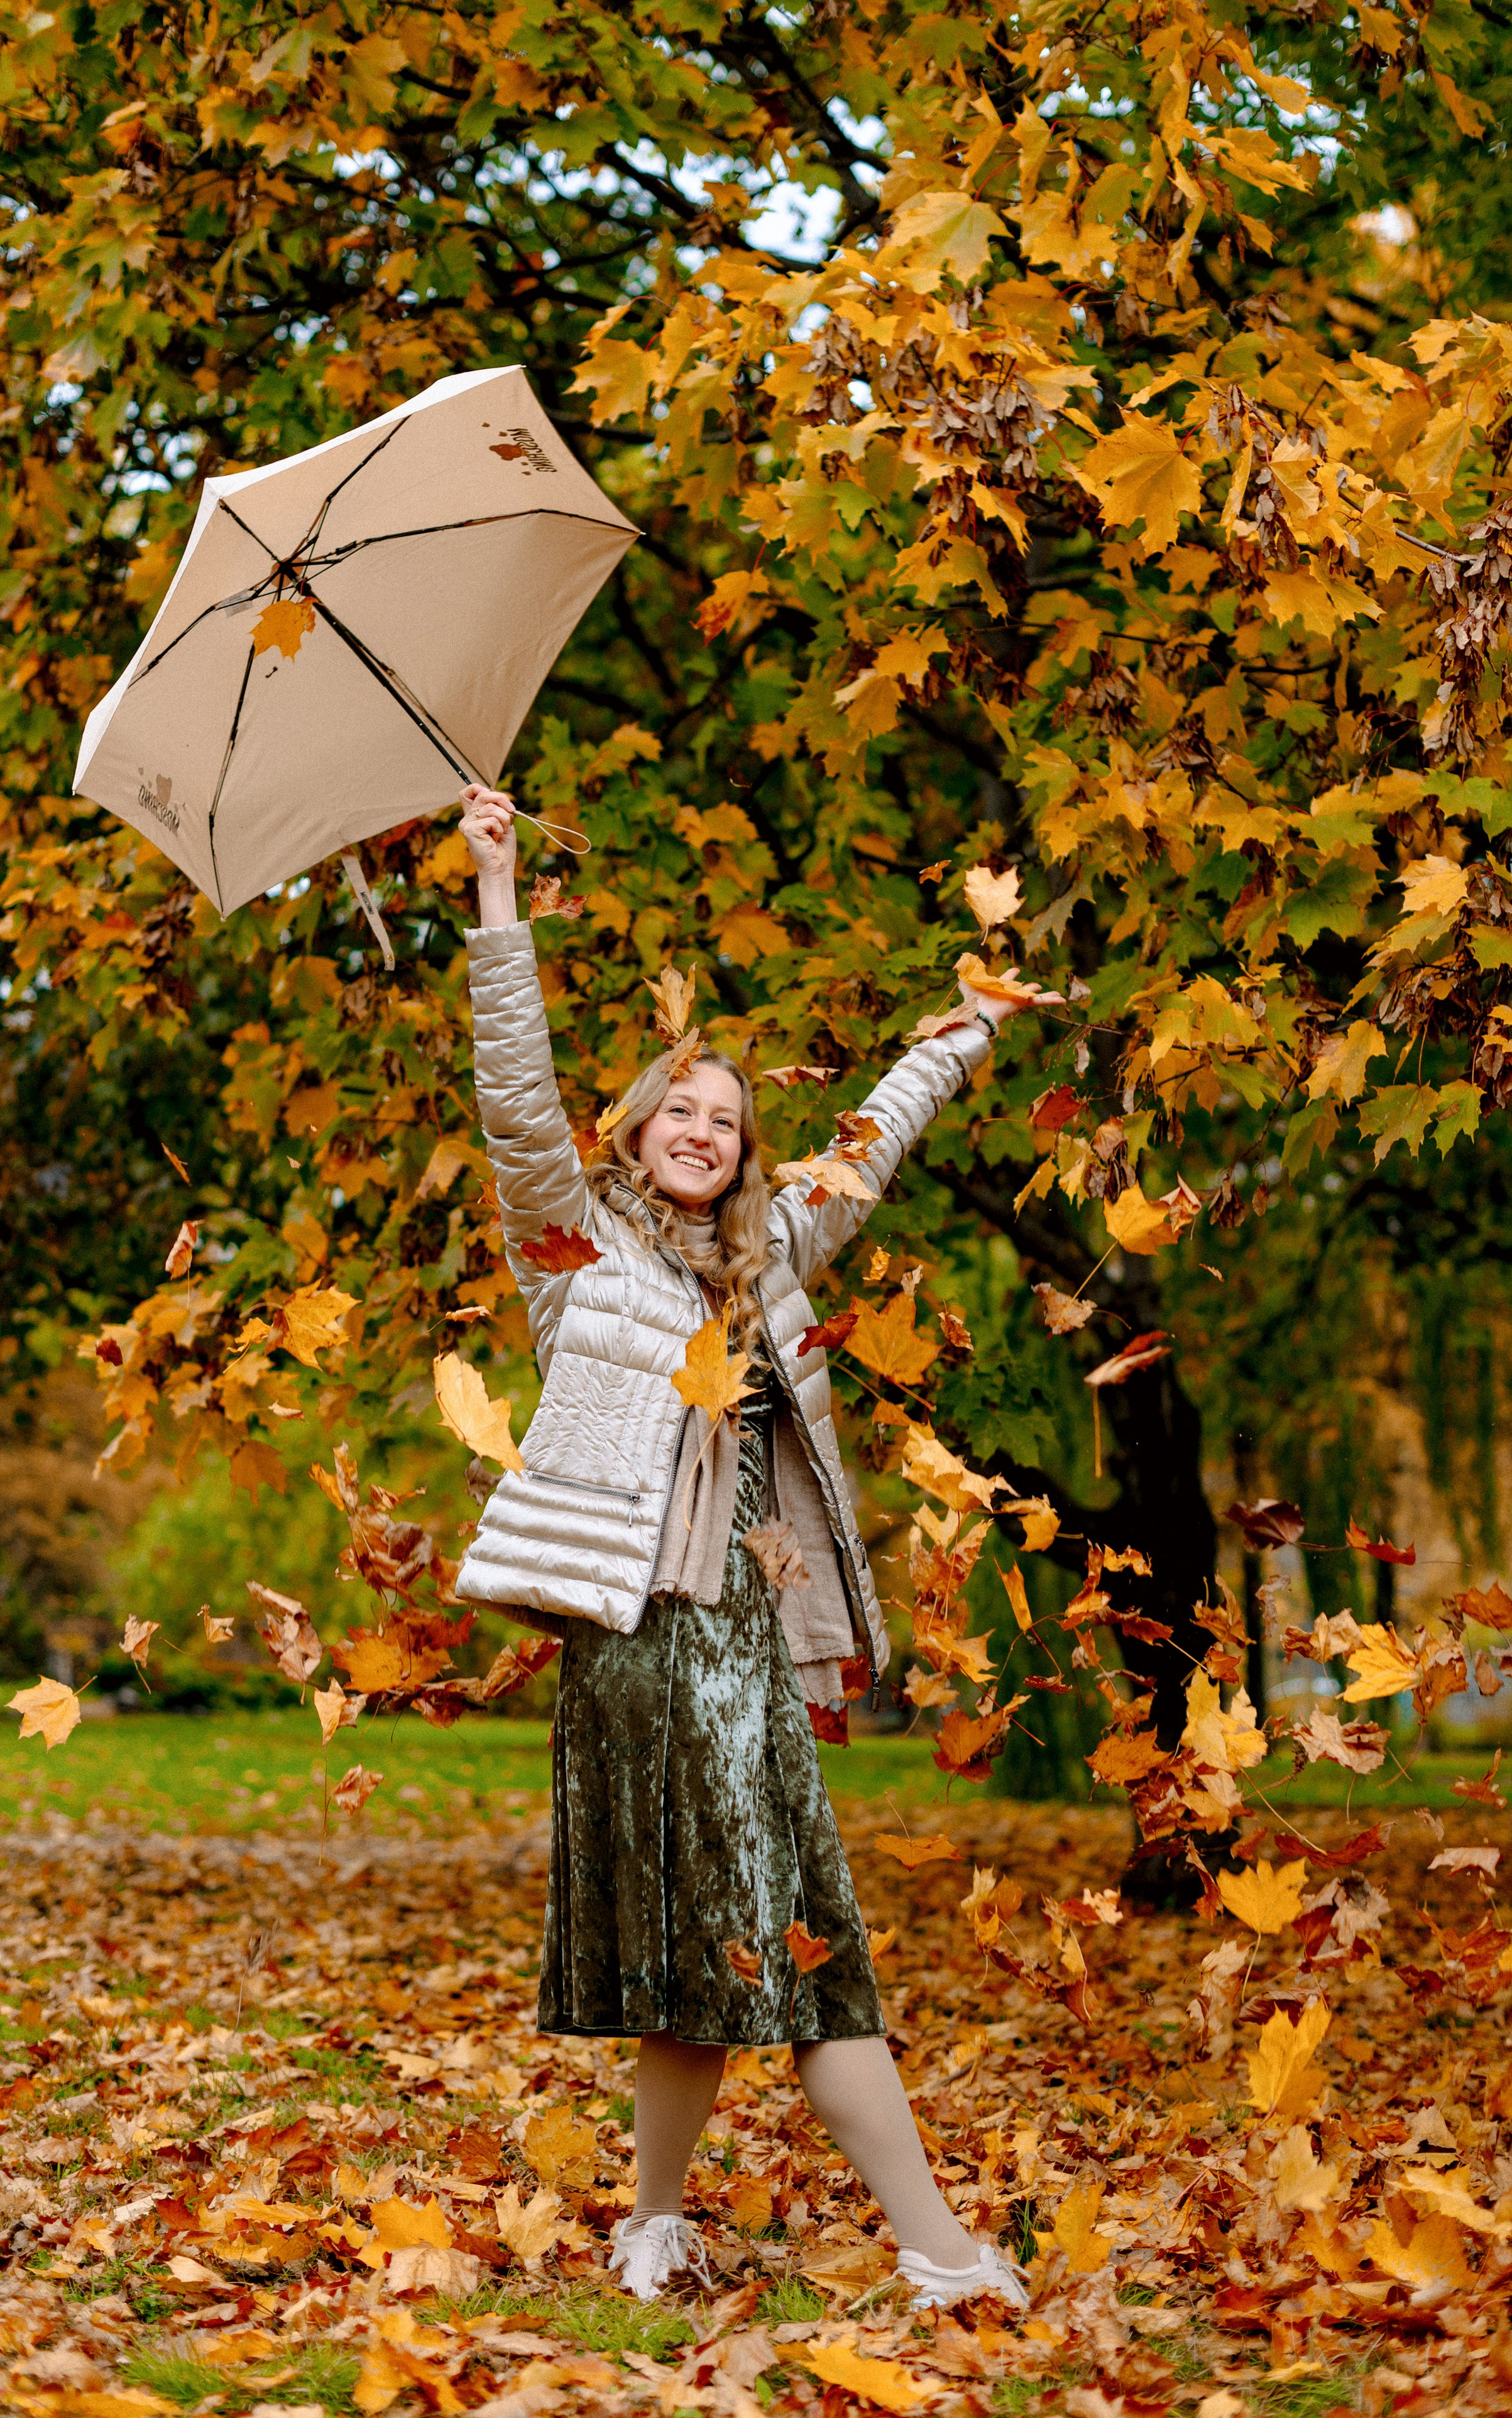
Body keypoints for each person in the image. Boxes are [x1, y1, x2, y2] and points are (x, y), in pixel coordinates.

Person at [455, 782, 1034, 2314]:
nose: (704, 1132)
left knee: (707, 1957)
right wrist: (497, 897)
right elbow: (516, 1103)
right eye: (679, 1110)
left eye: (727, 1118)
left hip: (735, 1647)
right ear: (634, 1128)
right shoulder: (575, 1248)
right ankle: (932, 2250)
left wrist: (966, 1028)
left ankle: (653, 2225)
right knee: (801, 1940)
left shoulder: (770, 1260)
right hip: (642, 1641)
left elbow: (869, 1145)